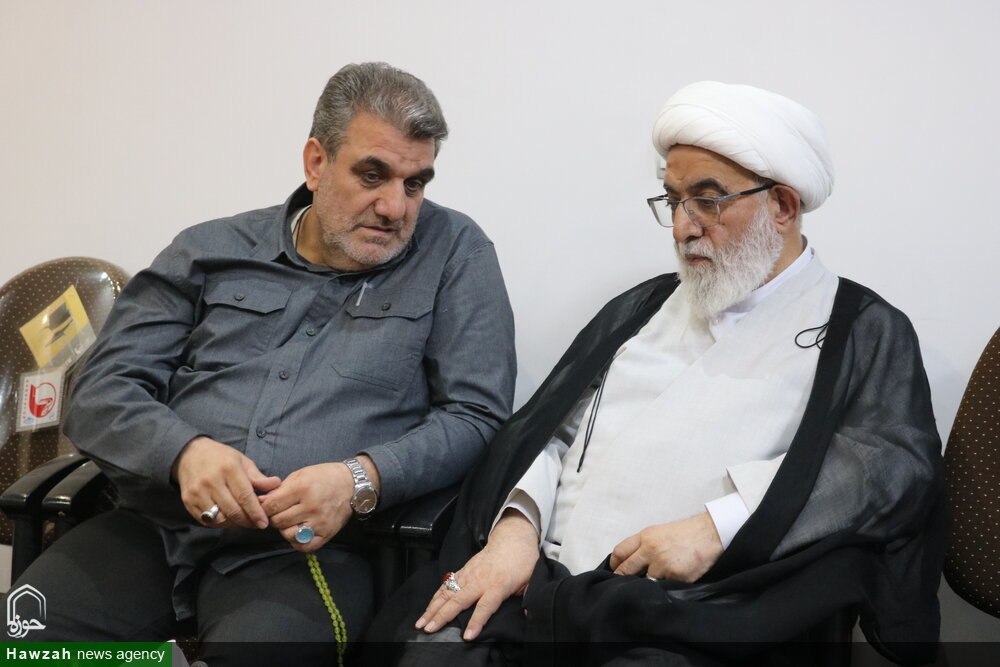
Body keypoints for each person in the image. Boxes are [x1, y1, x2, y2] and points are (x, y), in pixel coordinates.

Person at [368, 81, 945, 666]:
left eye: (707, 201)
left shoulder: (859, 328)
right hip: (541, 589)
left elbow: (888, 469)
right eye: (673, 201)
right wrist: (515, 529)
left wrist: (716, 528)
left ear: (783, 206)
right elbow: (549, 433)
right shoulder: (642, 307)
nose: (682, 228)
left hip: (702, 613)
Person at [11, 62, 516, 666]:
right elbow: (100, 391)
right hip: (155, 526)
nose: (394, 206)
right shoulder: (208, 250)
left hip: (306, 550)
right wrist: (184, 453)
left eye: (415, 184)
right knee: (26, 647)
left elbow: (475, 414)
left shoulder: (454, 252)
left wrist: (359, 480)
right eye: (372, 175)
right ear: (316, 162)